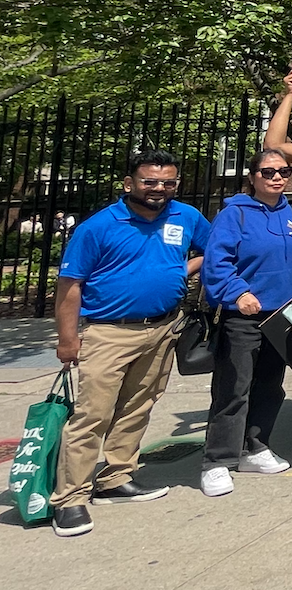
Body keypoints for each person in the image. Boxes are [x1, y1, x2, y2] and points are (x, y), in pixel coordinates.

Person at [48, 151, 211, 537]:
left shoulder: (185, 216)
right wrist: (67, 339)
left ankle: (116, 477)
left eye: (168, 182)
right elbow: (70, 287)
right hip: (108, 332)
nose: (159, 189)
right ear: (129, 183)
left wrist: (180, 269)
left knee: (139, 405)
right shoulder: (98, 227)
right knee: (92, 415)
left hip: (162, 328)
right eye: (150, 182)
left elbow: (214, 248)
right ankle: (69, 499)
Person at [199, 150, 292, 497]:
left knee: (271, 384)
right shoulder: (234, 214)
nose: (277, 177)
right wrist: (238, 293)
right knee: (233, 388)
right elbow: (217, 263)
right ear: (253, 176)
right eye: (268, 172)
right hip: (245, 316)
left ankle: (255, 446)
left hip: (284, 314)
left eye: (283, 171)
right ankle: (217, 461)